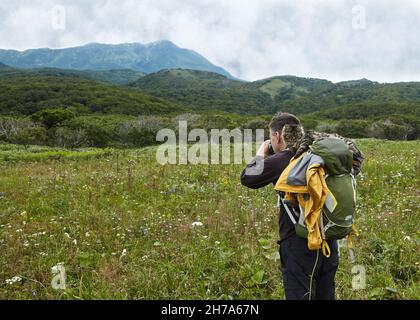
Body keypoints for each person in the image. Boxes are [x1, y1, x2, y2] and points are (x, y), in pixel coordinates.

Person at [240, 112, 339, 300]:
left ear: (277, 136)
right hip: (329, 239)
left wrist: (262, 152)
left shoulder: (284, 159)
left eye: (271, 138)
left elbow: (247, 177)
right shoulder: (321, 154)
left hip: (299, 243)